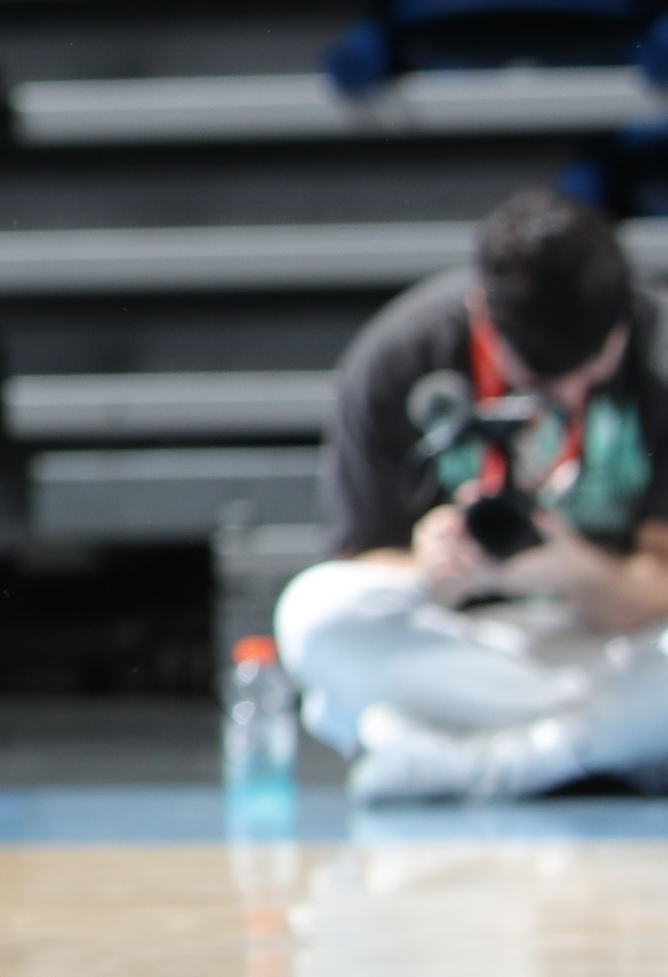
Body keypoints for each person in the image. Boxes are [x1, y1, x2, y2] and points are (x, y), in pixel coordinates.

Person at [273, 191, 668, 802]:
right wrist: (431, 569)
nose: (566, 392)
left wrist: (577, 572)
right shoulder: (401, 355)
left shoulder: (658, 353)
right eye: (538, 377)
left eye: (589, 369)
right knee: (314, 614)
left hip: (606, 639)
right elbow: (363, 560)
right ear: (484, 314)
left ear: (622, 322)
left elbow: (660, 581)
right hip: (465, 643)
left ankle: (469, 763)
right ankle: (592, 750)